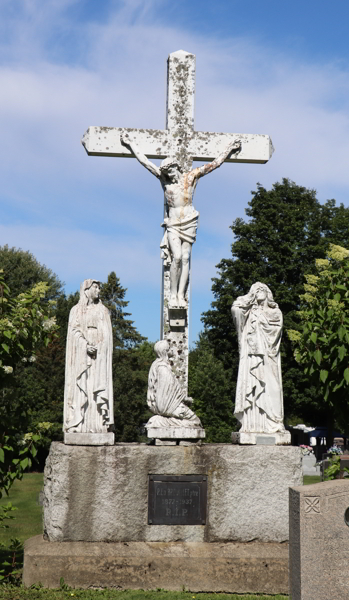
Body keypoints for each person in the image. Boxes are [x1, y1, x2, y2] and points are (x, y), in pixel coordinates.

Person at [121, 131, 241, 307]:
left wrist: (229, 149)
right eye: (165, 172)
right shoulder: (165, 181)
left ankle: (180, 295)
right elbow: (145, 162)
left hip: (189, 220)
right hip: (173, 223)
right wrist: (131, 144)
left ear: (176, 167)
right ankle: (172, 295)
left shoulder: (190, 177)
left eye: (169, 170)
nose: (168, 174)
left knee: (185, 258)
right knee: (176, 257)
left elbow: (214, 164)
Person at [231, 282, 285, 434]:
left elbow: (275, 333)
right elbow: (236, 310)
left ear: (269, 294)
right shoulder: (249, 311)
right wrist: (246, 300)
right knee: (251, 386)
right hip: (251, 356)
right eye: (256, 290)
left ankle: (273, 421)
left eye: (263, 289)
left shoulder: (276, 312)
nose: (260, 291)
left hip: (268, 357)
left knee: (271, 386)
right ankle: (251, 424)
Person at [64, 279, 114, 434]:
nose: (98, 291)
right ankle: (79, 424)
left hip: (99, 356)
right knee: (82, 387)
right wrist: (85, 345)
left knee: (95, 388)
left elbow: (107, 334)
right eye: (96, 287)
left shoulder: (103, 311)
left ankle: (99, 425)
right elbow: (73, 332)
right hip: (82, 356)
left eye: (99, 288)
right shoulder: (76, 310)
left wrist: (99, 346)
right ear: (86, 289)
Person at [146, 340, 202, 429]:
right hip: (170, 406)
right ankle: (158, 422)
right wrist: (182, 399)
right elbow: (165, 395)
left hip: (170, 404)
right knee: (196, 422)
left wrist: (183, 398)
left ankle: (159, 421)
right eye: (169, 349)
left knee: (195, 422)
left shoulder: (156, 365)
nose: (171, 351)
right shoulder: (163, 369)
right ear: (164, 352)